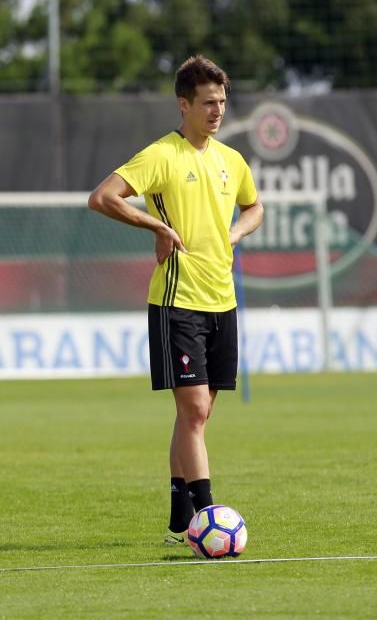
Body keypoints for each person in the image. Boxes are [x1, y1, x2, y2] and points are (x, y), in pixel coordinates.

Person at [87, 55, 264, 546]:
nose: (218, 111)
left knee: (200, 412)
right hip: (176, 300)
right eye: (208, 103)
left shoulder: (231, 160)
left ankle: (177, 518)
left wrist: (234, 234)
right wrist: (155, 224)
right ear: (183, 105)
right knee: (192, 412)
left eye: (223, 102)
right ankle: (209, 518)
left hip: (221, 301)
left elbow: (255, 205)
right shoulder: (162, 155)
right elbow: (103, 197)